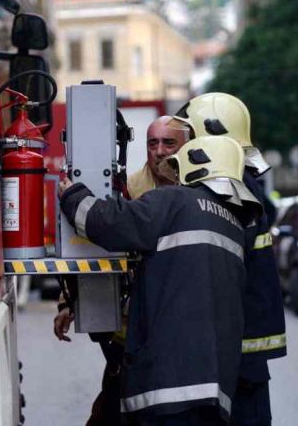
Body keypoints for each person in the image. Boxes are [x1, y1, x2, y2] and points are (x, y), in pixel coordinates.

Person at [59, 136, 262, 425]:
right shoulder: (234, 225)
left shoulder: (175, 201)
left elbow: (112, 222)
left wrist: (72, 195)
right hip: (215, 392)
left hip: (166, 390)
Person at [53, 115, 188, 425]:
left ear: (186, 147)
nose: (160, 151)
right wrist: (67, 301)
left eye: (169, 143)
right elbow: (90, 244)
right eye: (152, 143)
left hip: (174, 334)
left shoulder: (197, 193)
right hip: (125, 338)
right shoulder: (130, 188)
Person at [169, 93, 286, 426]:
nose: (183, 147)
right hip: (244, 343)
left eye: (189, 136)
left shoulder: (230, 191)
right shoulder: (246, 187)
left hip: (237, 347)